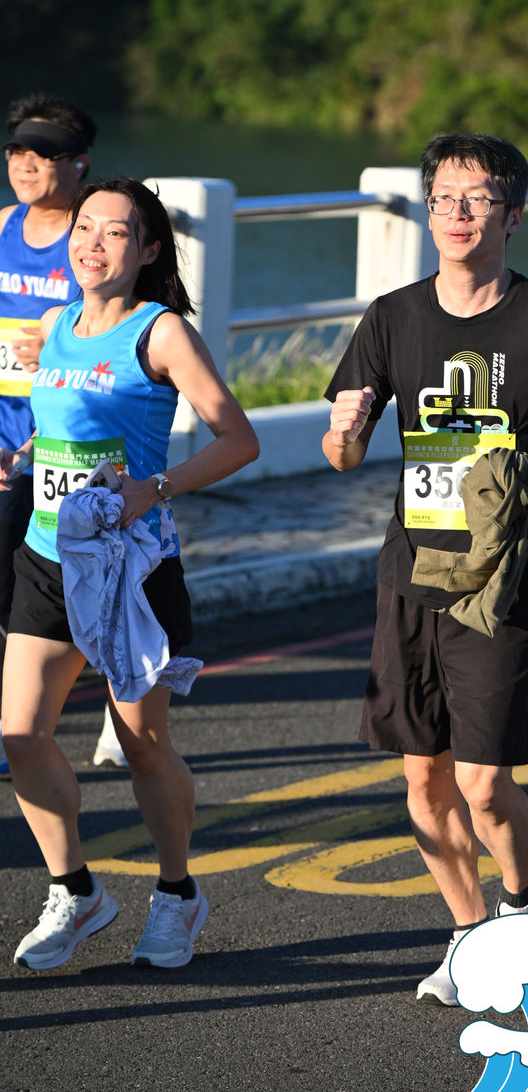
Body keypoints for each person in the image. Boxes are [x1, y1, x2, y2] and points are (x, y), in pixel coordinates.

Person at [323, 133, 528, 1005]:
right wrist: (344, 431)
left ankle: (524, 904)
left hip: (503, 576)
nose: (458, 212)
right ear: (427, 213)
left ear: (514, 215)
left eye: (478, 197)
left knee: (484, 781)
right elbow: (342, 453)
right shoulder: (392, 317)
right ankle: (466, 935)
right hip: (412, 571)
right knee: (422, 774)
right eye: (443, 198)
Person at [1, 176, 259, 971]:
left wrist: (156, 488)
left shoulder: (161, 332)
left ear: (147, 250)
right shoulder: (56, 324)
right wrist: (21, 456)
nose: (93, 243)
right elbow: (63, 426)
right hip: (48, 555)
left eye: (115, 232)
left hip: (129, 569)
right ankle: (75, 891)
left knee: (144, 745)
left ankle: (177, 895)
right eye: (85, 227)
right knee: (20, 735)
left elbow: (238, 439)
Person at [0, 93, 123, 774]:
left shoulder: (91, 241)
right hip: (4, 437)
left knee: (87, 586)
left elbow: (118, 329)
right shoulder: (2, 227)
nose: (25, 164)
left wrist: (54, 349)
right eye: (17, 151)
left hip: (68, 441)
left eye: (42, 153)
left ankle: (124, 705)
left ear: (79, 163)